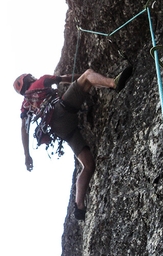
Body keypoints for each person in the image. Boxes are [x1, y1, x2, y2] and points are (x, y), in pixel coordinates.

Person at [13, 67, 133, 221]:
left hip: (60, 130)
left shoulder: (26, 105)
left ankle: (79, 205)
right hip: (61, 111)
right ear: (28, 79)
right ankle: (113, 83)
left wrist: (27, 155)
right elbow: (65, 77)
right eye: (30, 77)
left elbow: (24, 128)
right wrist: (81, 76)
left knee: (88, 165)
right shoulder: (40, 81)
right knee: (89, 75)